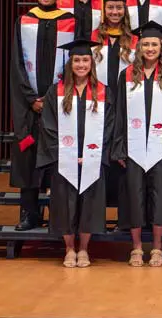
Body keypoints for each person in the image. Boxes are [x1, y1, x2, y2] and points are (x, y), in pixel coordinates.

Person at [10, 0, 76, 231]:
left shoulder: (69, 20)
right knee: (28, 155)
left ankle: (58, 214)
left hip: (58, 103)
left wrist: (52, 99)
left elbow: (74, 63)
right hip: (29, 105)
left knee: (57, 156)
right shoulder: (24, 20)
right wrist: (31, 98)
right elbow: (17, 65)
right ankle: (29, 213)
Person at [112, 22, 162, 267]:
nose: (150, 48)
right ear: (139, 48)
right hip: (133, 146)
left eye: (154, 44)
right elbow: (120, 113)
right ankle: (136, 247)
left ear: (161, 47)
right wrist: (119, 146)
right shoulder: (127, 75)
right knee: (135, 195)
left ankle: (156, 248)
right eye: (145, 44)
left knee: (160, 196)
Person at [37, 39, 112, 268]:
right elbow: (48, 126)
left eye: (85, 60)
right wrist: (67, 154)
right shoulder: (56, 91)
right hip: (64, 158)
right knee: (64, 203)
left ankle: (84, 249)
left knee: (89, 203)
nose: (81, 64)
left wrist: (91, 154)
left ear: (92, 63)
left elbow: (110, 124)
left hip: (92, 157)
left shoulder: (102, 91)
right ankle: (69, 248)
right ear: (70, 63)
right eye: (77, 60)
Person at [91, 0, 138, 90]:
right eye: (110, 7)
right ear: (104, 9)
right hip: (98, 94)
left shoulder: (134, 39)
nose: (115, 12)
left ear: (125, 10)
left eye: (119, 8)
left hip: (125, 94)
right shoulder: (93, 36)